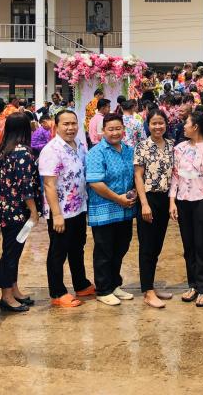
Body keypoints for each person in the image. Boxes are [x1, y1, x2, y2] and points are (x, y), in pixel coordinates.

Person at [38, 109, 94, 308]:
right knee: (58, 252)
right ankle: (57, 292)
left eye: (73, 123)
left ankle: (81, 284)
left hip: (79, 208)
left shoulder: (79, 144)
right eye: (66, 124)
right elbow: (49, 185)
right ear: (56, 125)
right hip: (60, 211)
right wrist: (57, 215)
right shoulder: (51, 150)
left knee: (77, 248)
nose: (71, 128)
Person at [169, 111, 203, 308]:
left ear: (196, 127)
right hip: (183, 200)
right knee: (188, 246)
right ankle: (192, 285)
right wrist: (172, 201)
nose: (183, 126)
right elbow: (175, 176)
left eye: (186, 123)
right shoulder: (179, 149)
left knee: (202, 245)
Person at [86, 113, 137, 306]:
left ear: (124, 129)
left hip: (125, 209)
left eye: (118, 128)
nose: (115, 132)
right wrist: (118, 199)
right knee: (104, 250)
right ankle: (103, 288)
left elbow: (135, 176)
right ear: (103, 131)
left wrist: (131, 195)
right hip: (105, 209)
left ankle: (115, 284)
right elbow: (95, 182)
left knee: (121, 248)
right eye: (110, 129)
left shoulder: (129, 150)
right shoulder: (96, 153)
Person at [0, 113, 40, 313]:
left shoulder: (4, 150)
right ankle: (6, 295)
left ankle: (14, 289)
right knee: (11, 254)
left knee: (13, 251)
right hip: (17, 211)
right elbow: (26, 186)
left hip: (5, 208)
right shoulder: (23, 153)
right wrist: (34, 211)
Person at [134, 110, 175, 308]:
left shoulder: (171, 145)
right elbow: (138, 176)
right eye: (154, 123)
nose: (158, 127)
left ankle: (151, 285)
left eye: (161, 123)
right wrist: (143, 204)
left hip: (164, 199)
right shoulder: (142, 146)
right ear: (148, 125)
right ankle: (148, 292)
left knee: (157, 245)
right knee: (147, 246)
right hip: (148, 198)